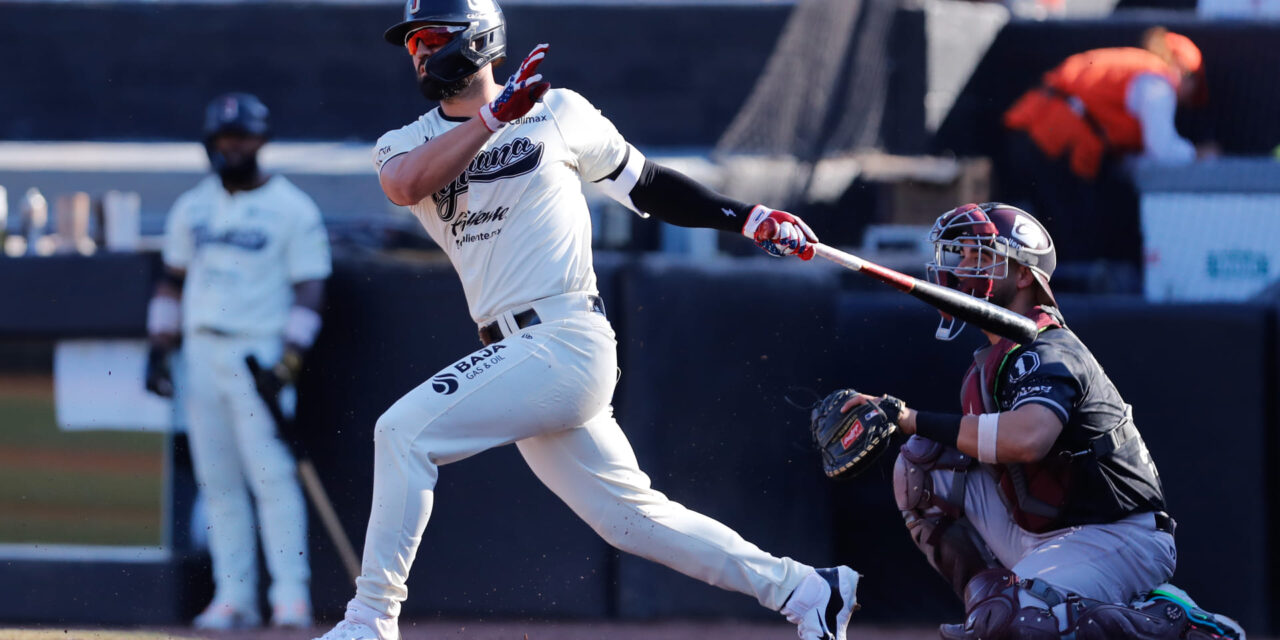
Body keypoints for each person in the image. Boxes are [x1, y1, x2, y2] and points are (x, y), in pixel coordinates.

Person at [313, 1, 859, 639]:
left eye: (431, 37)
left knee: (403, 432)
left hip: (564, 337)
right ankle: (805, 588)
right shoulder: (404, 142)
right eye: (411, 45)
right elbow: (405, 186)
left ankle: (371, 620)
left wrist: (746, 217)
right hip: (514, 353)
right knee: (632, 520)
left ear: (478, 37)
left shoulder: (558, 111)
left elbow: (647, 183)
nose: (420, 54)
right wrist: (493, 118)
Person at [839, 202, 1245, 639]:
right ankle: (997, 605)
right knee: (923, 467)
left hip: (1118, 537)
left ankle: (1175, 626)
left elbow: (1029, 438)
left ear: (1024, 275)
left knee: (1016, 617)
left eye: (982, 256)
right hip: (1043, 532)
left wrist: (909, 418)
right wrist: (902, 422)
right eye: (965, 256)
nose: (963, 269)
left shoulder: (1047, 349)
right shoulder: (988, 363)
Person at [144, 92, 333, 630]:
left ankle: (290, 598)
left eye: (243, 137)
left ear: (262, 141)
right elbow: (172, 279)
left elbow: (310, 286)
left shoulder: (291, 208)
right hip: (199, 353)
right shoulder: (193, 205)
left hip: (259, 355)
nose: (234, 147)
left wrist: (290, 360)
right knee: (217, 481)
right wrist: (160, 349)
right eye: (225, 139)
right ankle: (234, 597)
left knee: (273, 479)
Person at [998, 27, 1210, 267]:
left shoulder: (1134, 64)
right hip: (1052, 142)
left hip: (1029, 134)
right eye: (1194, 83)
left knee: (1043, 231)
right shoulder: (1157, 81)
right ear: (1184, 70)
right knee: (1072, 237)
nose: (1189, 98)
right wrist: (1199, 157)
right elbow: (1163, 151)